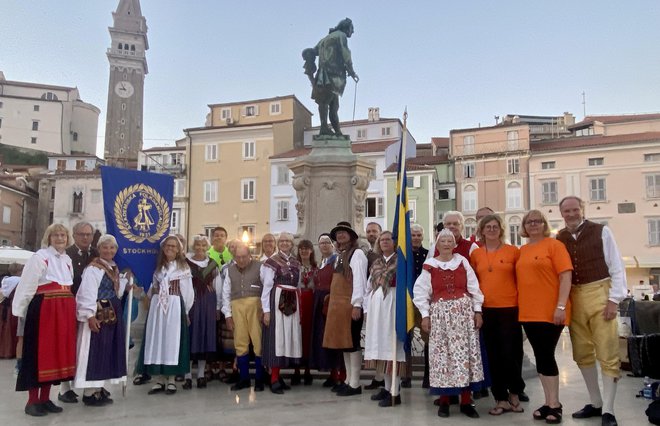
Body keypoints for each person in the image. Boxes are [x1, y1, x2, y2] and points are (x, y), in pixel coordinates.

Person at [557, 196, 627, 426]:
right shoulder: (560, 237)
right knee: (582, 352)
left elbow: (616, 266)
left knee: (607, 351)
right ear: (562, 213)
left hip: (600, 292)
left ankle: (609, 409)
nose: (571, 214)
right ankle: (596, 402)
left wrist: (614, 300)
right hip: (575, 297)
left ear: (582, 210)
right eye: (566, 211)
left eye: (574, 209)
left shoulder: (601, 231)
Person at [413, 229, 484, 419]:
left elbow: (474, 287)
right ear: (437, 245)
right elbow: (421, 292)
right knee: (442, 356)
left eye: (449, 241)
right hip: (440, 316)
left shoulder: (462, 261)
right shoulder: (430, 265)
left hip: (463, 315)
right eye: (442, 240)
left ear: (454, 244)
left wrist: (477, 311)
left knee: (465, 355)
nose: (446, 244)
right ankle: (444, 401)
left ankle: (467, 401)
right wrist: (425, 316)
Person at [13, 224, 76, 417]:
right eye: (55, 235)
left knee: (55, 354)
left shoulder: (67, 260)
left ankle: (45, 398)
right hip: (43, 311)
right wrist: (20, 311)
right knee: (38, 354)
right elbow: (28, 285)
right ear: (48, 238)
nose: (59, 238)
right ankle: (32, 401)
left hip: (63, 312)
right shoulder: (39, 258)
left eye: (63, 235)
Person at [516, 210, 572, 424]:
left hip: (551, 312)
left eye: (537, 221)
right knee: (540, 355)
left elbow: (565, 276)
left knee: (546, 355)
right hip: (528, 312)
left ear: (544, 224)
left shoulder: (555, 246)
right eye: (529, 222)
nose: (533, 225)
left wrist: (561, 306)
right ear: (524, 226)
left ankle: (555, 404)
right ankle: (548, 401)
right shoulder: (523, 250)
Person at [470, 215, 525, 415]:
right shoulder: (476, 255)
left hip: (510, 308)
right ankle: (500, 397)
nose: (492, 230)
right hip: (487, 309)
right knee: (493, 355)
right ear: (482, 231)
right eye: (488, 227)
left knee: (512, 354)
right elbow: (473, 282)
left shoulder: (513, 252)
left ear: (501, 230)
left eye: (495, 227)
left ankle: (515, 394)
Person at [74, 235, 129, 406]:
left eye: (112, 248)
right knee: (95, 349)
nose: (109, 251)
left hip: (112, 312)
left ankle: (99, 388)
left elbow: (117, 292)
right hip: (98, 312)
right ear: (99, 249)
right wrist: (89, 315)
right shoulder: (94, 268)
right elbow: (87, 292)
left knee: (107, 349)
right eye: (105, 247)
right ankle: (89, 392)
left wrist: (127, 282)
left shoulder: (113, 267)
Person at [135, 235, 194, 396]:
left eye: (174, 246)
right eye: (168, 245)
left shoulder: (183, 268)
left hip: (174, 306)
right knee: (158, 339)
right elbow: (152, 287)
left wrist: (186, 311)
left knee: (171, 340)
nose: (170, 248)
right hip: (158, 307)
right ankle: (159, 379)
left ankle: (172, 379)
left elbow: (188, 291)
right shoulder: (158, 268)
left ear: (179, 249)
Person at [323, 222, 368, 397]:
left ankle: (355, 383)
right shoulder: (340, 255)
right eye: (338, 233)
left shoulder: (356, 254)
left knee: (352, 344)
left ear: (351, 236)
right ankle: (349, 380)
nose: (341, 235)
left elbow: (359, 281)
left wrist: (357, 304)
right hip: (339, 306)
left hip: (349, 305)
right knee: (344, 345)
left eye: (345, 233)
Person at [364, 231, 406, 407]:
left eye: (388, 239)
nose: (384, 242)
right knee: (382, 348)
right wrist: (366, 309)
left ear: (394, 242)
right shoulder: (377, 263)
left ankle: (395, 391)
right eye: (382, 240)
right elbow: (368, 287)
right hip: (377, 310)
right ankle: (387, 388)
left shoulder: (401, 262)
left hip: (393, 306)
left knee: (393, 348)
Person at [60, 221, 98, 403]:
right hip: (69, 307)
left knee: (86, 348)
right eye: (81, 234)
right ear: (74, 235)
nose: (85, 237)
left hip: (90, 309)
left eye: (88, 234)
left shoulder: (97, 254)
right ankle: (64, 388)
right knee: (68, 346)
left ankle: (88, 386)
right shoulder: (66, 254)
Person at [302, 18, 359, 137]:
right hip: (331, 76)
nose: (352, 32)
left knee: (331, 104)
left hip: (323, 76)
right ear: (346, 27)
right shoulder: (341, 36)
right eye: (352, 29)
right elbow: (346, 54)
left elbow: (313, 51)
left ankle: (337, 131)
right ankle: (324, 128)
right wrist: (352, 71)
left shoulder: (324, 39)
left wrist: (308, 59)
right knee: (327, 102)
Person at [261, 232, 302, 394]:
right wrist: (266, 310)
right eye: (282, 241)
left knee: (287, 337)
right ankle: (273, 378)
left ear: (292, 244)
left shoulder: (295, 263)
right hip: (277, 300)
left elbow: (298, 285)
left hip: (292, 302)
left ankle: (279, 376)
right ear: (278, 243)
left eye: (288, 241)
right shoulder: (271, 262)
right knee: (276, 338)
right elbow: (266, 287)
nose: (284, 243)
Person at [222, 244, 265, 391]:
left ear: (249, 255)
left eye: (243, 256)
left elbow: (266, 289)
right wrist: (227, 315)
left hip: (255, 307)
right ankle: (244, 378)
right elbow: (225, 293)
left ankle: (259, 379)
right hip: (236, 307)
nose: (240, 260)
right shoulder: (229, 270)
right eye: (238, 257)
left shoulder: (261, 267)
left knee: (258, 342)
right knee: (240, 342)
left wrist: (265, 310)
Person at [184, 235, 222, 390]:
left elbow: (217, 285)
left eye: (203, 245)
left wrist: (218, 307)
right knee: (190, 336)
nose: (200, 248)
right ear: (193, 246)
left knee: (204, 337)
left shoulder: (212, 264)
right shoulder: (185, 263)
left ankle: (200, 375)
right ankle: (187, 376)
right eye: (197, 245)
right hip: (191, 301)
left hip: (207, 302)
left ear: (207, 247)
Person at [309, 233, 345, 387]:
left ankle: (340, 375)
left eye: (326, 242)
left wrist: (332, 297)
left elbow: (341, 282)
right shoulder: (322, 263)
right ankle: (332, 373)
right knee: (324, 338)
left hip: (332, 301)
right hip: (319, 303)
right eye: (321, 243)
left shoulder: (337, 261)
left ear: (332, 245)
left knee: (335, 338)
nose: (324, 245)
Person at [406, 223, 429, 388]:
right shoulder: (403, 256)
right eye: (413, 235)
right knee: (406, 338)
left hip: (423, 302)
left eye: (418, 235)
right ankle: (406, 375)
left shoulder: (428, 255)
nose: (416, 238)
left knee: (427, 338)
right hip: (407, 301)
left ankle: (428, 376)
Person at [293, 239, 318, 386]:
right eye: (301, 248)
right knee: (297, 335)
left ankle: (307, 369)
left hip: (311, 302)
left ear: (311, 251)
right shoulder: (294, 267)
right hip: (297, 301)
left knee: (308, 336)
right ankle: (296, 370)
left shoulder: (316, 267)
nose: (304, 251)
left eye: (306, 248)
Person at [0, 262, 23, 360]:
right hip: (13, 308)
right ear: (19, 271)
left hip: (3, 307)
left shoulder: (5, 281)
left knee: (3, 329)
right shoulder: (20, 281)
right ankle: (10, 351)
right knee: (12, 331)